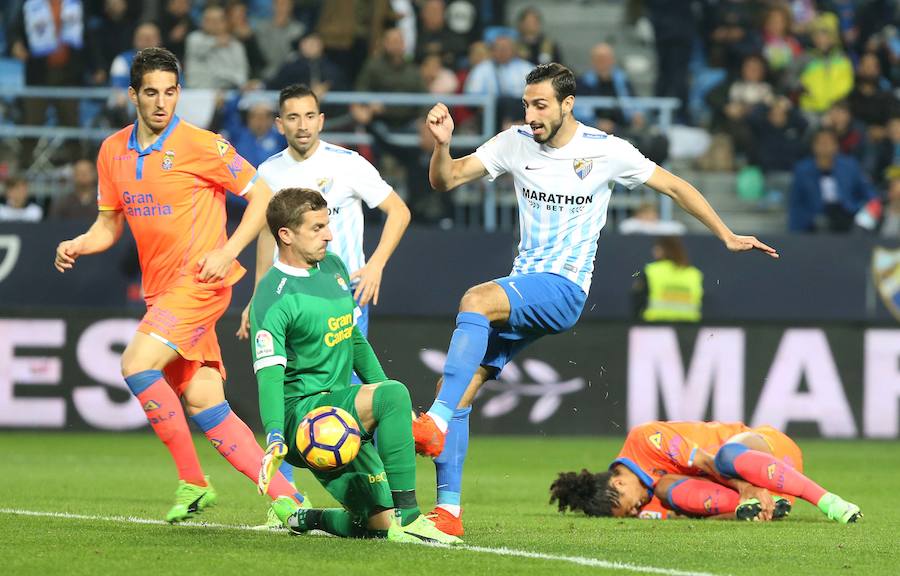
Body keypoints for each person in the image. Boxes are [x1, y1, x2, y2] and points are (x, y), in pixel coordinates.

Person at [413, 63, 779, 537]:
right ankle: (448, 514)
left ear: (568, 105)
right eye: (527, 104)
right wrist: (442, 146)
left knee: (476, 299)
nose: (531, 114)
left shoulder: (606, 151)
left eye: (541, 104)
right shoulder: (514, 143)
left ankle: (436, 422)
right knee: (461, 389)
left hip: (564, 288)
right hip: (527, 286)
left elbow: (674, 185)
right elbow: (446, 180)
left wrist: (725, 233)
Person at [52, 47, 303, 523]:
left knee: (135, 363)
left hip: (202, 281)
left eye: (170, 92)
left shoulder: (201, 144)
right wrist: (80, 243)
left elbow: (263, 197)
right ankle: (290, 499)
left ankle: (192, 480)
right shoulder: (112, 151)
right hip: (162, 291)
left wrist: (228, 252)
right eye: (151, 92)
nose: (161, 102)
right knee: (204, 401)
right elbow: (109, 226)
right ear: (133, 95)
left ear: (179, 93)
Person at [251, 187, 458, 545]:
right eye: (317, 228)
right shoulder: (272, 297)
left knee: (377, 525)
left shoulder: (333, 267)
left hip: (341, 406)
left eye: (327, 225)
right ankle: (411, 518)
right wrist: (273, 435)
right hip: (304, 417)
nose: (329, 235)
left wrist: (397, 407)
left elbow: (354, 339)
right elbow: (269, 375)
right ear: (285, 234)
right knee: (394, 394)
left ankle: (302, 517)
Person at [240, 83, 410, 342]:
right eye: (293, 117)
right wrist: (258, 295)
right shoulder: (268, 172)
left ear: (320, 121)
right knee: (297, 381)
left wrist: (376, 265)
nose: (302, 126)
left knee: (346, 381)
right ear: (279, 124)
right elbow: (267, 233)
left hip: (345, 292)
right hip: (290, 296)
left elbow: (399, 211)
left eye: (309, 116)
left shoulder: (348, 163)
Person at [549, 420, 861, 523]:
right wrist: (746, 506)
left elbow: (707, 462)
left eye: (628, 506)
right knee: (666, 489)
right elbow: (704, 513)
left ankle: (827, 501)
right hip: (774, 492)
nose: (635, 512)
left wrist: (747, 488)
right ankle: (768, 508)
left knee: (724, 457)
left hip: (768, 456)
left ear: (618, 482)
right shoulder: (653, 497)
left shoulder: (643, 439)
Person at [632, 236, 703, 322]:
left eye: (657, 248)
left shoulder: (651, 271)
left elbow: (637, 300)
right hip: (689, 326)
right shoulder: (694, 274)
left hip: (656, 326)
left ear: (662, 250)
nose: (653, 251)